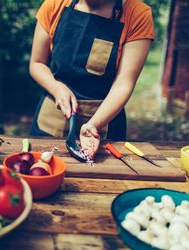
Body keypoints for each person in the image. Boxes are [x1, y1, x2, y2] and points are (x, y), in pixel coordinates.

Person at [29, 0, 154, 159]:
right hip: (50, 119)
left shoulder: (137, 14)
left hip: (103, 127)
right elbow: (37, 63)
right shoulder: (55, 4)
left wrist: (93, 126)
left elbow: (124, 83)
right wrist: (56, 88)